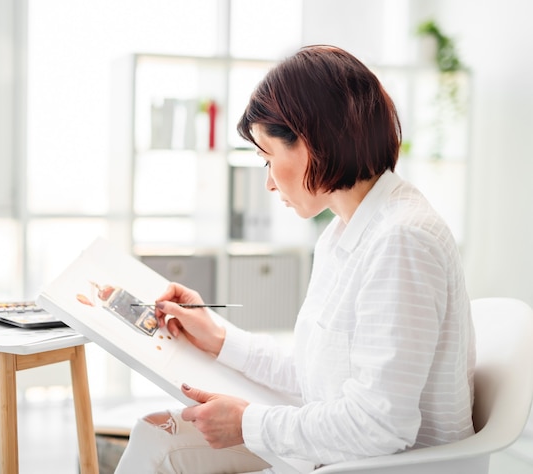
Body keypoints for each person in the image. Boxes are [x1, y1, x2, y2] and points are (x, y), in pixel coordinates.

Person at [114, 44, 475, 473]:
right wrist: (218, 337)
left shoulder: (403, 240)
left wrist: (248, 423)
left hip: (380, 464)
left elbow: (381, 425)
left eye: (268, 158)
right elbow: (315, 376)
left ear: (313, 143)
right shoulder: (344, 233)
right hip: (341, 451)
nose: (268, 182)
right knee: (152, 433)